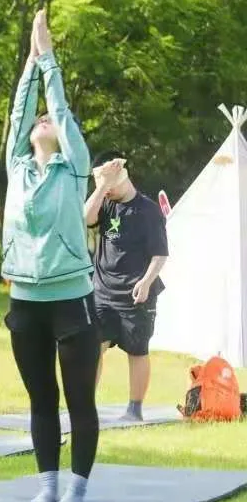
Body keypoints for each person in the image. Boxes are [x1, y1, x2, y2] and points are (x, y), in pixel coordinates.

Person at [2, 10, 100, 502]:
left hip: (71, 300)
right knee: (42, 399)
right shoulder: (17, 166)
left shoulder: (74, 167)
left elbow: (56, 111)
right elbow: (22, 114)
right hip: (25, 300)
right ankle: (48, 486)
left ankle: (78, 489)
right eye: (39, 120)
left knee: (79, 400)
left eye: (52, 121)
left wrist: (50, 61)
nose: (44, 120)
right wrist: (30, 63)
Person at [85, 152, 168, 422]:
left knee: (137, 350)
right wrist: (102, 186)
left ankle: (134, 409)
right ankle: (85, 407)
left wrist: (146, 282)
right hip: (102, 291)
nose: (106, 193)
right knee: (93, 346)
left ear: (122, 176)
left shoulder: (148, 210)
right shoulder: (106, 204)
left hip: (136, 294)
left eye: (109, 185)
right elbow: (85, 218)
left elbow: (160, 255)